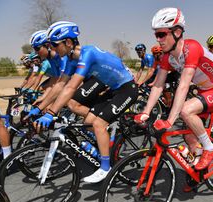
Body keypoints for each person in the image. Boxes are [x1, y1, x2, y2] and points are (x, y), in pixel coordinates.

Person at [34, 21, 138, 183]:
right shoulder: (71, 60)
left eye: (55, 45)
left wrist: (51, 113)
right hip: (113, 89)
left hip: (127, 88)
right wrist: (41, 108)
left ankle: (106, 167)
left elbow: (70, 88)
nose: (53, 49)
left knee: (98, 124)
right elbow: (61, 84)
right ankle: (106, 143)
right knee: (88, 121)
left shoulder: (87, 53)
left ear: (68, 42)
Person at [134, 8, 213, 175]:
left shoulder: (191, 48)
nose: (158, 39)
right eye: (156, 35)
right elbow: (158, 85)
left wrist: (170, 121)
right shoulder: (167, 56)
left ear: (177, 32)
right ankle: (199, 173)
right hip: (204, 91)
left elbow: (184, 85)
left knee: (185, 110)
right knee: (188, 137)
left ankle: (209, 148)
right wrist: (146, 112)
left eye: (162, 34)